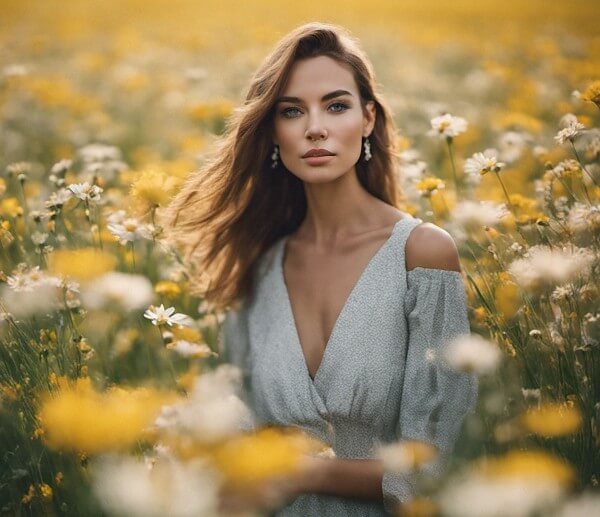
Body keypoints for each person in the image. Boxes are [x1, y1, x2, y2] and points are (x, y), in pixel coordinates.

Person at [164, 21, 478, 516]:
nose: (315, 127)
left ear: (368, 118)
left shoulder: (422, 254)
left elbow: (441, 463)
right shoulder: (259, 265)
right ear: (272, 131)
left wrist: (304, 471)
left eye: (336, 105)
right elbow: (237, 437)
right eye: (292, 111)